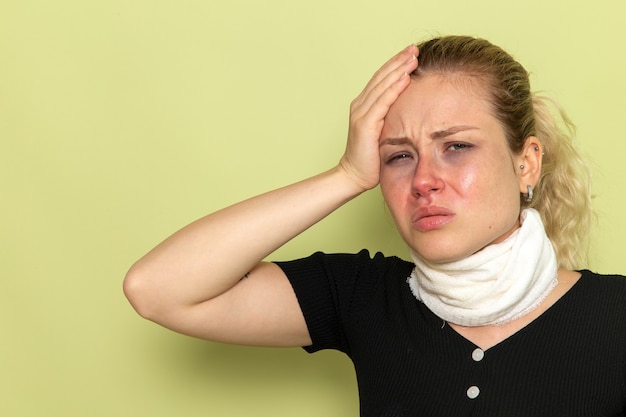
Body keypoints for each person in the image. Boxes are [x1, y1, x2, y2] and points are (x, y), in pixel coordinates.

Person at [123, 36, 626, 416]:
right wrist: (346, 175)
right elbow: (158, 289)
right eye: (399, 156)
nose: (425, 180)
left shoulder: (616, 315)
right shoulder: (364, 297)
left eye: (456, 146)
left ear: (527, 164)